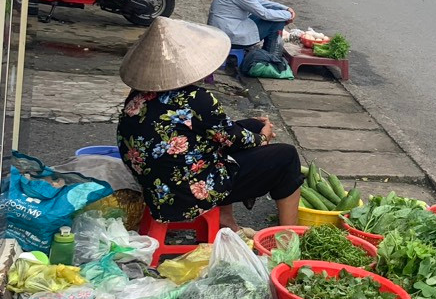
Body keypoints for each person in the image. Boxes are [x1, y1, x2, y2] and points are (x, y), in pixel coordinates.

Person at [117, 18, 303, 230]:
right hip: (184, 193)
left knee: (250, 125)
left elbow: (221, 131)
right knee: (287, 156)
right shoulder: (196, 99)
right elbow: (232, 139)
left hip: (155, 185)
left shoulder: (138, 95)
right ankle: (289, 234)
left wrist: (254, 131)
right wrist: (264, 137)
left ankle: (225, 218)